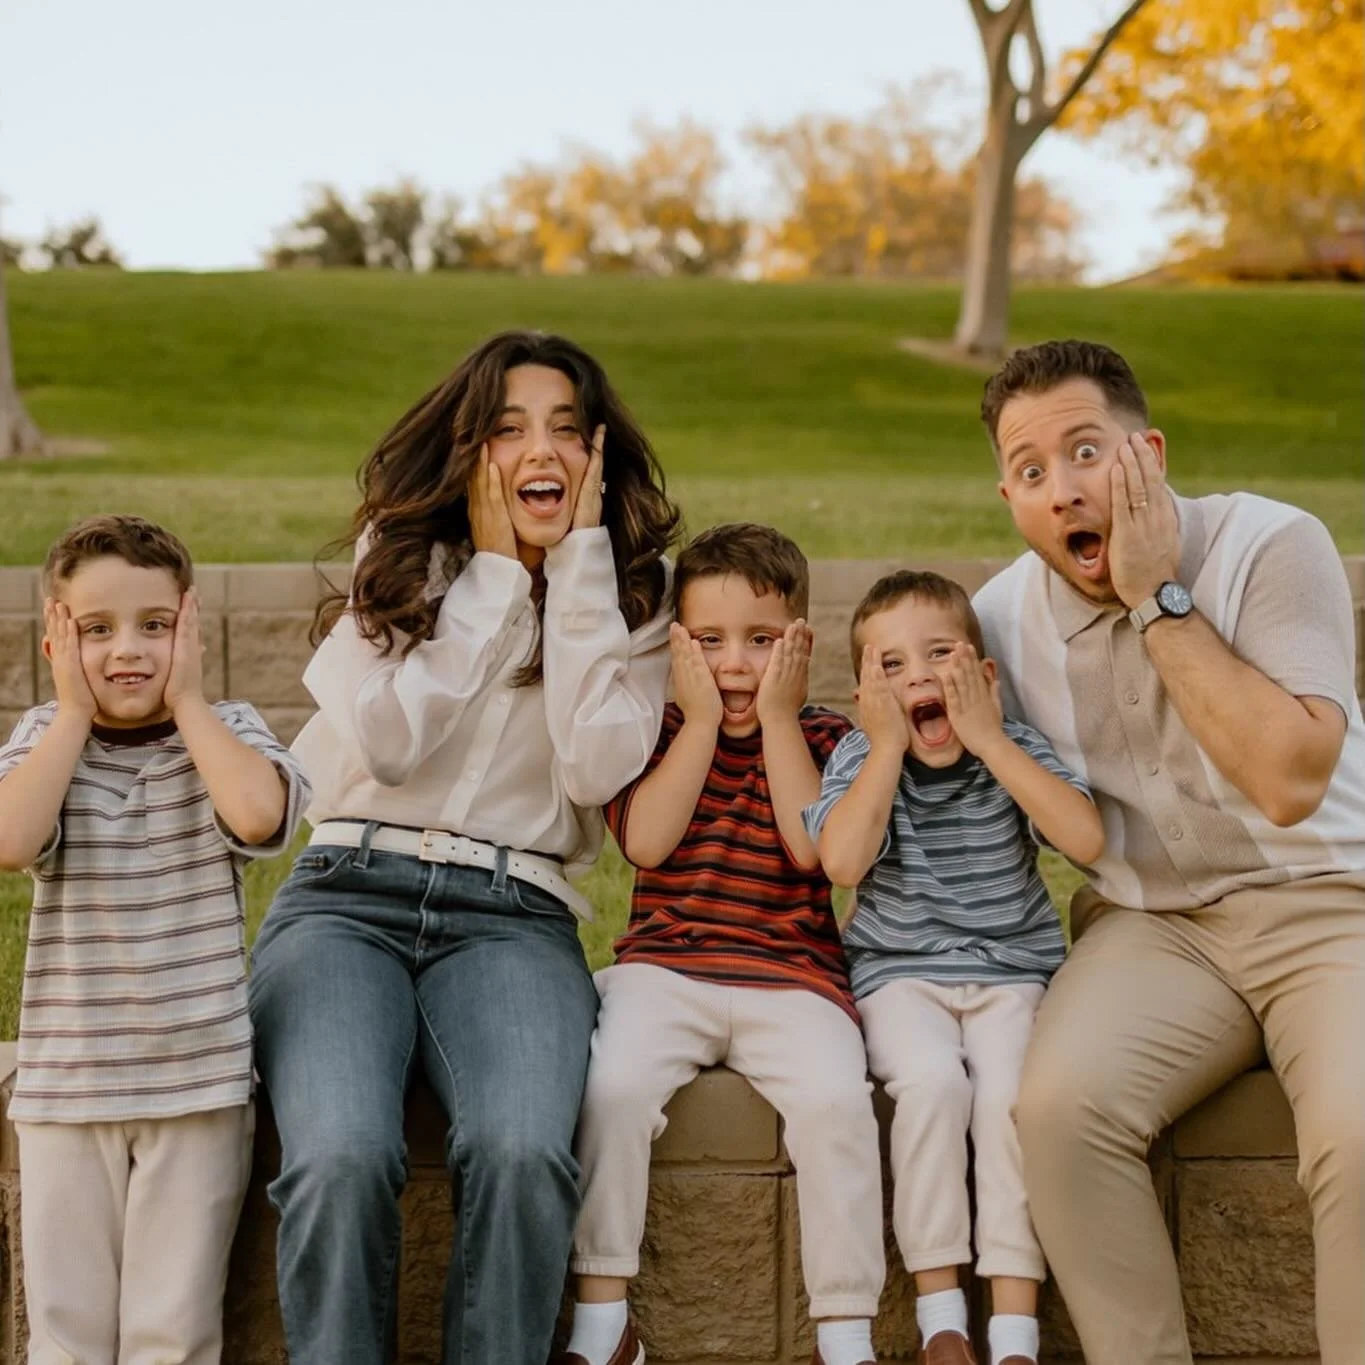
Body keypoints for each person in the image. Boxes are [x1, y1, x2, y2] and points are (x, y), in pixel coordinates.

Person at [247, 330, 681, 1365]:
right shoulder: (403, 558)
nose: (541, 451)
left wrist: (577, 570)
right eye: (509, 428)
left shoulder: (636, 595)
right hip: (346, 895)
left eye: (566, 430)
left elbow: (594, 769)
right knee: (342, 1155)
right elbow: (389, 745)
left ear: (598, 455)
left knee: (524, 1151)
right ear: (470, 451)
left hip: (514, 915)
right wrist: (490, 581)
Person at [971, 339, 1365, 1365]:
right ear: (1011, 501)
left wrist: (1155, 599)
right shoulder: (1000, 620)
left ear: (1147, 453)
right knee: (1058, 1113)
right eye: (1029, 470)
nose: (1062, 489)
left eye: (1085, 451)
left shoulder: (1270, 544)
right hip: (1154, 928)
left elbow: (1288, 781)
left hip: (1334, 902)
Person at [562, 523, 885, 1365]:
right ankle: (603, 1321)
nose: (734, 664)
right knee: (612, 1089)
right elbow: (647, 843)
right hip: (664, 970)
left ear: (800, 641)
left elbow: (810, 848)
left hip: (795, 979)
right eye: (709, 641)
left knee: (837, 1105)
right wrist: (699, 722)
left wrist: (778, 719)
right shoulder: (654, 730)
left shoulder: (827, 740)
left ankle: (844, 1334)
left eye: (761, 641)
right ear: (677, 643)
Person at [0, 514, 307, 1365]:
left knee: (171, 1333)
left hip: (196, 1089)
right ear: (57, 640)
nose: (127, 649)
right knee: (65, 1335)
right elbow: (12, 840)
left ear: (191, 629)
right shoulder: (43, 740)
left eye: (155, 625)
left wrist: (188, 702)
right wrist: (70, 712)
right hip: (69, 1090)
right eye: (96, 629)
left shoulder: (227, 731)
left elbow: (257, 814)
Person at [805, 570, 1103, 1365]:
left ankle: (1012, 1330)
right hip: (898, 974)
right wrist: (885, 746)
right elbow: (841, 861)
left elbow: (1084, 839)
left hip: (1013, 970)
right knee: (932, 1087)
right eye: (890, 665)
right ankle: (941, 1318)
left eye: (939, 654)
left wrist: (992, 739)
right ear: (865, 695)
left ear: (983, 673)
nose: (919, 677)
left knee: (1009, 1100)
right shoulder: (859, 755)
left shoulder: (1013, 747)